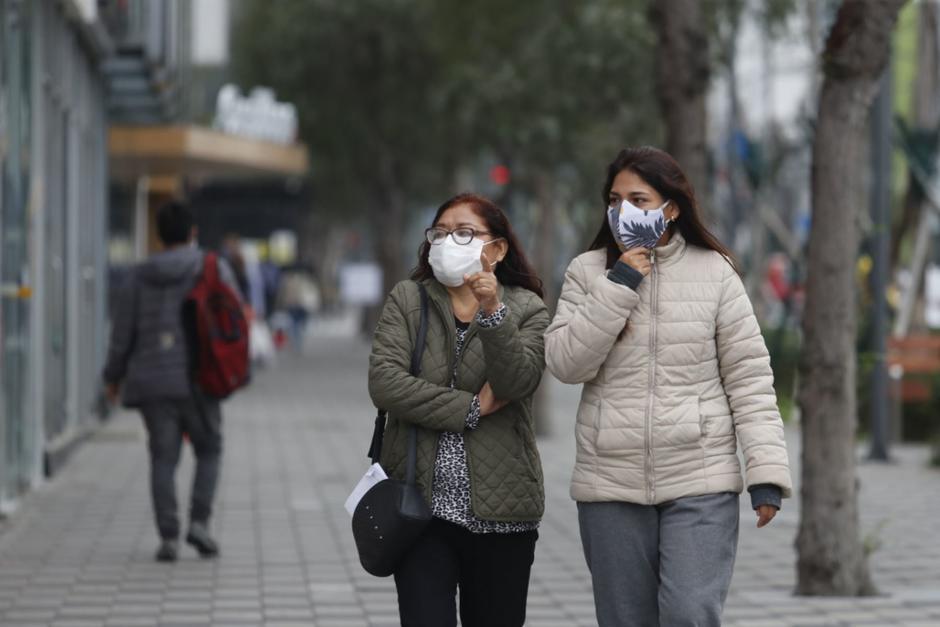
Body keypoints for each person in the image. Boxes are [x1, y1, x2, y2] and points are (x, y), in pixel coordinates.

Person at [544, 147, 793, 627]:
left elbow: (750, 378)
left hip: (700, 477)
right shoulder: (587, 271)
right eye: (615, 200)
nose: (624, 211)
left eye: (639, 199)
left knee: (689, 613)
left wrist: (765, 473)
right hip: (610, 481)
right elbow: (566, 363)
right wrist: (619, 284)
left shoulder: (716, 273)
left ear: (671, 207)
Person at [368, 192, 549, 627]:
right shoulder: (409, 299)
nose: (449, 242)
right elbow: (385, 384)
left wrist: (492, 311)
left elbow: (516, 382)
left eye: (465, 232)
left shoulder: (526, 308)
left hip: (503, 511)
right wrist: (468, 407)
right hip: (419, 509)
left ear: (498, 247)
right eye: (441, 233)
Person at [102, 201, 241, 562]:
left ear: (159, 236)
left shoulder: (137, 275)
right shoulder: (211, 267)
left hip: (152, 383)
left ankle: (168, 537)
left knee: (163, 459)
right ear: (192, 233)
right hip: (200, 379)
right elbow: (235, 314)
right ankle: (199, 523)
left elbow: (122, 333)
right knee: (209, 449)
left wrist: (112, 376)